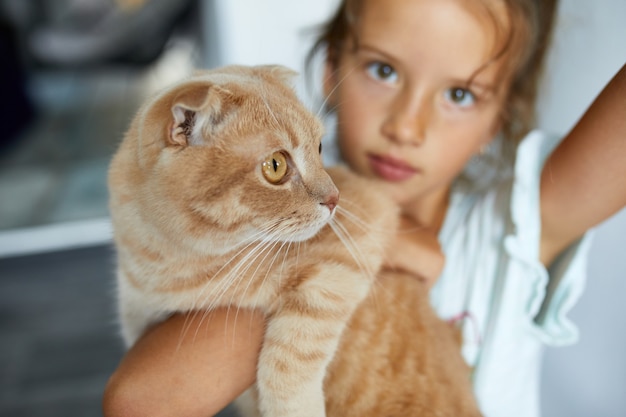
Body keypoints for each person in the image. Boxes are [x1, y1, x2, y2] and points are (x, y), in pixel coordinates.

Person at [102, 0, 626, 416]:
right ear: (331, 71)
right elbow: (140, 401)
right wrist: (362, 249)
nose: (407, 125)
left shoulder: (517, 226)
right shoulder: (272, 233)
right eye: (383, 70)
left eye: (460, 95)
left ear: (499, 119)